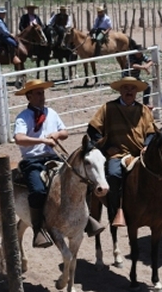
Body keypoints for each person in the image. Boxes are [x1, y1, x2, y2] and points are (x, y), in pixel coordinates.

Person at [14, 79, 105, 247]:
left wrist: (56, 135)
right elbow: (18, 138)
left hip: (53, 157)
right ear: (29, 96)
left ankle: (87, 218)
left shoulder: (52, 113)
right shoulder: (23, 117)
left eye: (42, 93)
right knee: (38, 191)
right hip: (32, 161)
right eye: (38, 93)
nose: (42, 96)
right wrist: (42, 140)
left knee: (80, 180)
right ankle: (38, 228)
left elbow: (64, 132)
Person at [87, 76, 157, 227]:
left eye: (132, 88)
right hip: (117, 154)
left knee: (161, 171)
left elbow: (151, 132)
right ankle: (117, 209)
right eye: (125, 88)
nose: (129, 91)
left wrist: (146, 145)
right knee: (113, 174)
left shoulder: (143, 110)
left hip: (140, 153)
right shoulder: (108, 108)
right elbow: (93, 129)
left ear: (137, 92)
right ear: (120, 90)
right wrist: (105, 148)